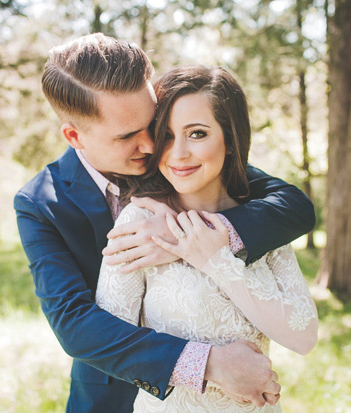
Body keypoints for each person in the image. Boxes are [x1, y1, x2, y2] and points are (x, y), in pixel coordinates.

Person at [14, 33, 316, 413]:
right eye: (127, 136)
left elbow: (293, 207)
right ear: (75, 136)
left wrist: (189, 235)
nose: (152, 145)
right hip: (109, 393)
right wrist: (210, 364)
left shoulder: (180, 158)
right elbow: (75, 324)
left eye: (152, 124)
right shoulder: (41, 203)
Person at [95, 66, 318, 412]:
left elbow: (303, 337)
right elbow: (112, 343)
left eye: (197, 134)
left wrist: (215, 260)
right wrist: (211, 368)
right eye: (166, 135)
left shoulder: (264, 223)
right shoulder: (139, 222)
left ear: (230, 140)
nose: (178, 153)